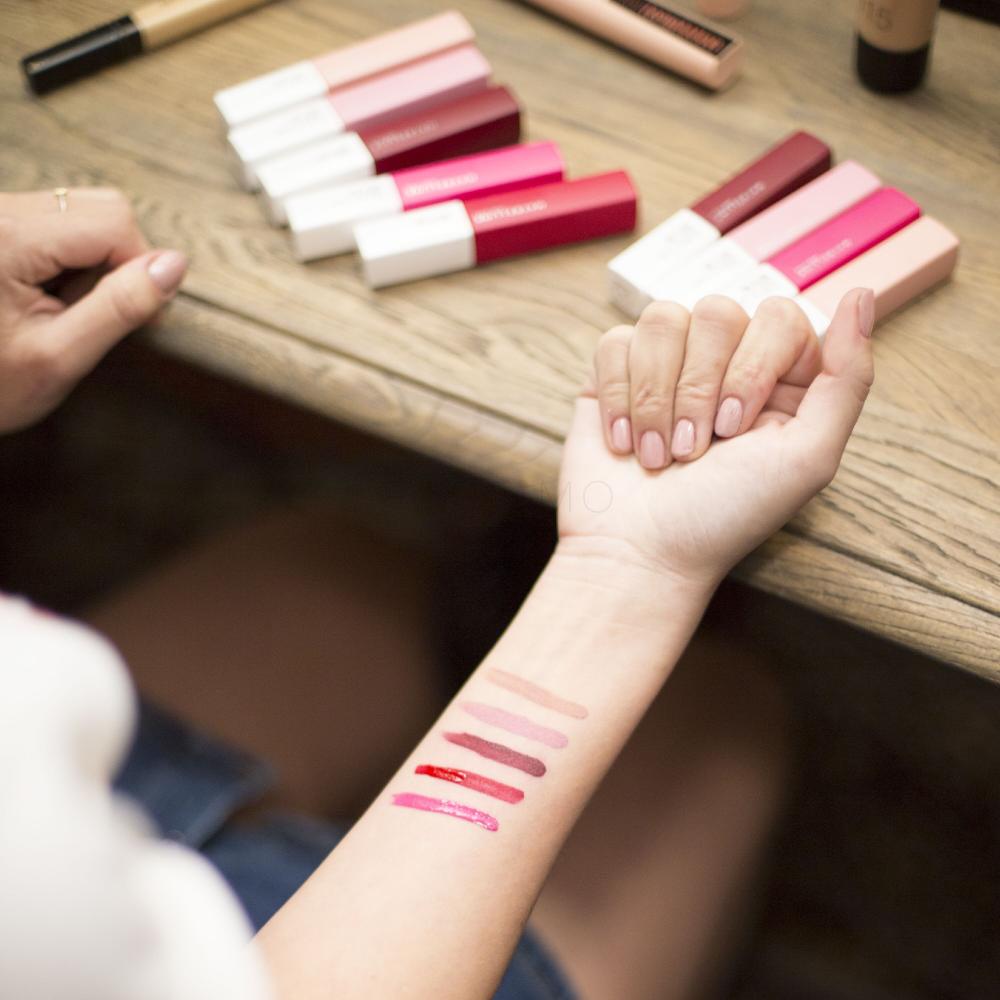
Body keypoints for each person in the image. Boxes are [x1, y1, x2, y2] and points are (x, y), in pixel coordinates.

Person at [0, 187, 874, 999]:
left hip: (51, 808)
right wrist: (626, 571)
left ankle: (496, 617)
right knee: (719, 726)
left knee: (339, 572)